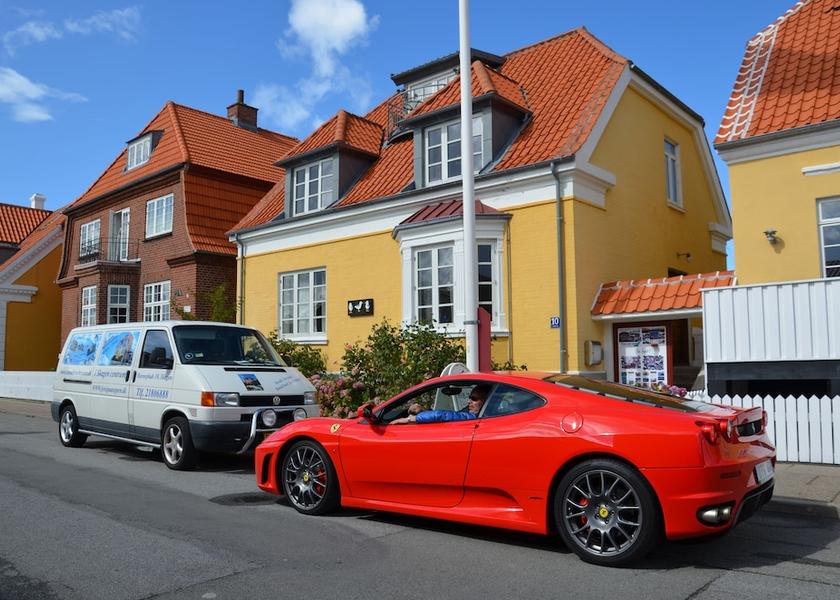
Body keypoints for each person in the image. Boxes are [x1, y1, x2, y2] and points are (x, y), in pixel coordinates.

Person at [391, 384, 490, 424]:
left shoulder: (476, 417)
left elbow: (442, 415)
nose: (469, 401)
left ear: (486, 400)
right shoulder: (488, 413)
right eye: (469, 398)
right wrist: (424, 411)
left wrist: (410, 419)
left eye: (474, 399)